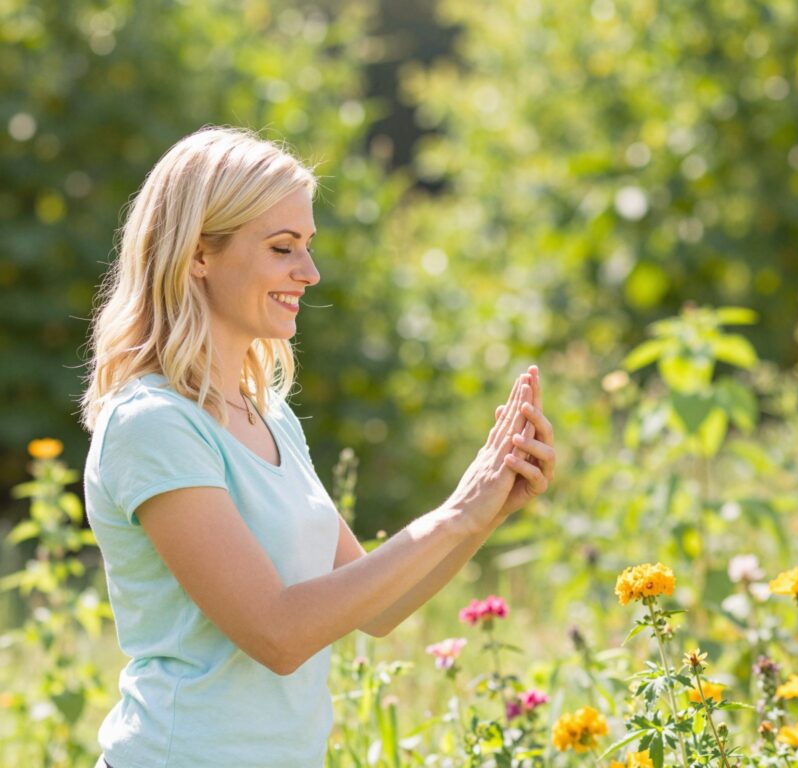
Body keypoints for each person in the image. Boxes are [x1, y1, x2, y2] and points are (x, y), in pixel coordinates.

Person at [78, 125, 556, 768]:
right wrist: (454, 515)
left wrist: (485, 510)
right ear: (197, 255)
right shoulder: (153, 424)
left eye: (307, 246)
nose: (309, 272)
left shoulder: (270, 415)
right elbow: (277, 634)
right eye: (282, 248)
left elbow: (379, 608)